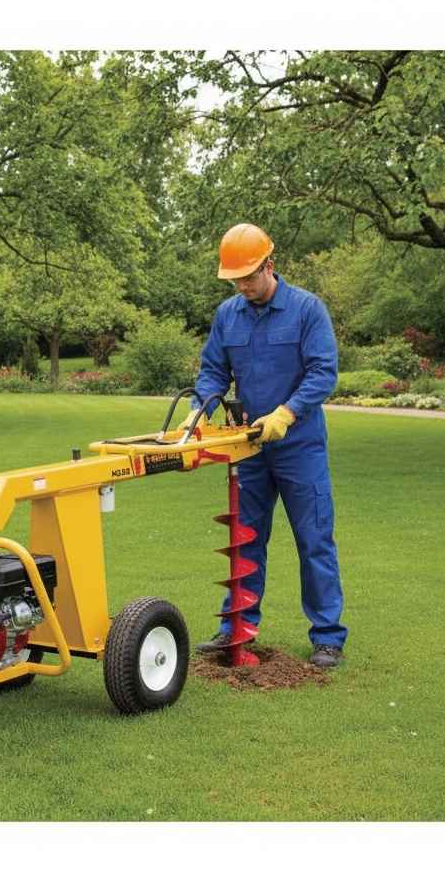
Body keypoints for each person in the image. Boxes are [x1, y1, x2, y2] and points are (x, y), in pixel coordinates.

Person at [186, 222, 347, 667]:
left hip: (300, 446)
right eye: (235, 279)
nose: (242, 285)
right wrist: (198, 410)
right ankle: (236, 628)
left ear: (270, 266)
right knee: (245, 539)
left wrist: (287, 413)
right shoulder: (228, 315)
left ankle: (328, 636)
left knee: (314, 539)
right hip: (249, 449)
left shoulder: (307, 310)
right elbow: (214, 371)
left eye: (249, 277)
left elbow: (323, 372)